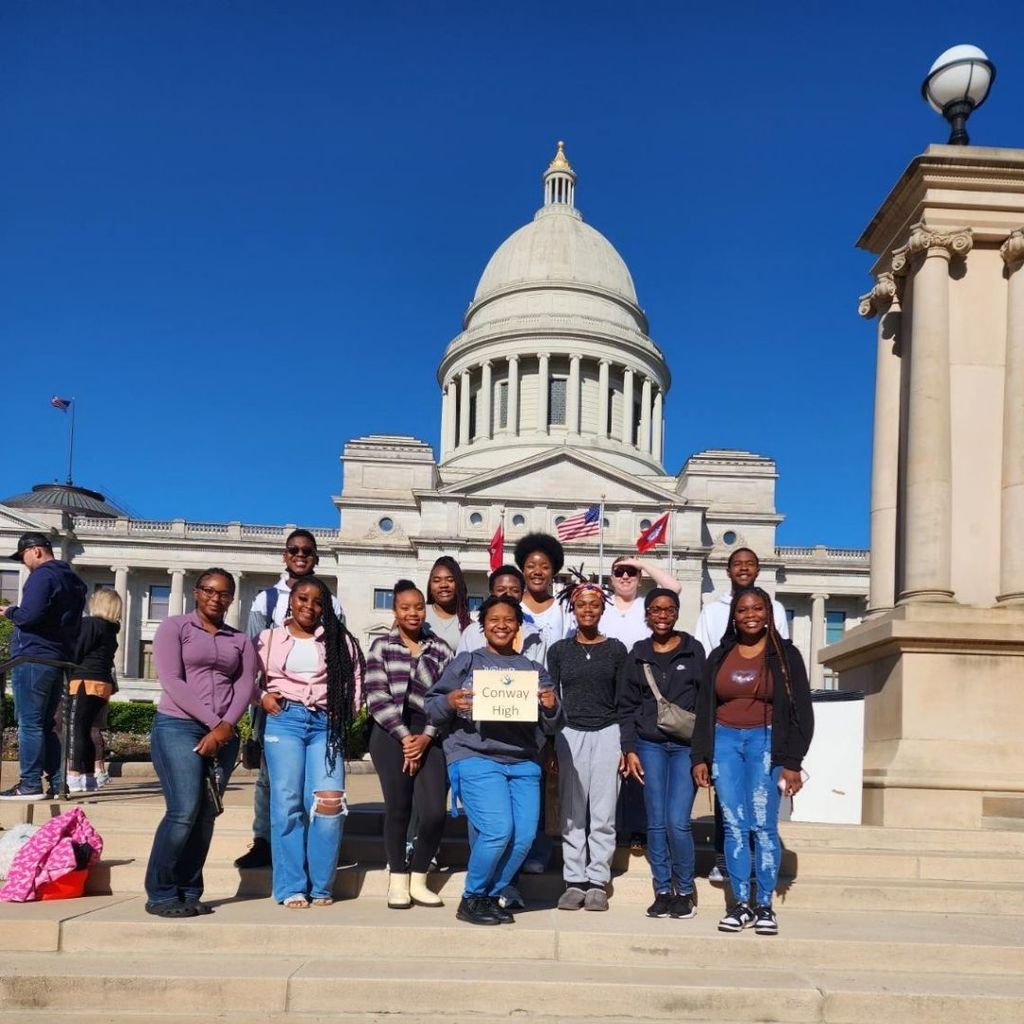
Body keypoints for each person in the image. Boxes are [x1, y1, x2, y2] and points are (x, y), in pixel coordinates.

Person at [425, 595, 564, 926]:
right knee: (498, 830)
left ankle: (488, 894)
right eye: (494, 620)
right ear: (482, 625)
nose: (501, 625)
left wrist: (549, 706)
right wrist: (450, 700)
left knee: (525, 835)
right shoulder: (467, 662)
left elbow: (554, 723)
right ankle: (472, 897)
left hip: (523, 760)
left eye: (509, 620)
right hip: (475, 755)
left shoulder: (534, 670)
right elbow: (431, 707)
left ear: (518, 626)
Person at [692, 586, 814, 936]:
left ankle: (765, 905)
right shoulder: (719, 655)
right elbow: (704, 710)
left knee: (762, 824)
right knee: (733, 823)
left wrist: (793, 761)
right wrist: (700, 755)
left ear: (768, 613)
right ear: (734, 615)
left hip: (766, 742)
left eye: (757, 609)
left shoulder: (785, 655)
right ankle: (740, 904)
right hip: (725, 742)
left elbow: (801, 711)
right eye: (743, 609)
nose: (750, 615)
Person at [144, 569, 257, 917]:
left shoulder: (239, 640)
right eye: (209, 590)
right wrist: (215, 725)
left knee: (206, 814)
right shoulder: (174, 628)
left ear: (231, 598)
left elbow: (245, 685)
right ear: (196, 592)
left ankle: (190, 891)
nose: (215, 597)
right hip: (178, 725)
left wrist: (226, 727)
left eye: (223, 593)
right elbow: (172, 680)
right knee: (183, 811)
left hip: (223, 732)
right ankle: (162, 893)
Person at [235, 529, 344, 871]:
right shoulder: (266, 599)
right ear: (285, 555)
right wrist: (260, 696)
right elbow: (251, 655)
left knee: (314, 781)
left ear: (316, 558)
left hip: (319, 707)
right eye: (294, 550)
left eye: (307, 551)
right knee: (271, 778)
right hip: (276, 705)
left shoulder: (333, 602)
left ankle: (310, 845)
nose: (300, 555)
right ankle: (264, 840)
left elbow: (339, 655)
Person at [258, 576, 363, 909]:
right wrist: (262, 696)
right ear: (292, 600)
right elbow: (248, 675)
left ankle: (321, 885)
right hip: (285, 720)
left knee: (329, 802)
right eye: (303, 598)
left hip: (324, 724)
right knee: (287, 802)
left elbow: (356, 677)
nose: (309, 606)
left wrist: (348, 708)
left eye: (317, 601)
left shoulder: (337, 640)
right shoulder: (269, 638)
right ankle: (291, 886)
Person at [693, 547, 789, 882]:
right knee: (727, 798)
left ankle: (759, 874)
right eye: (737, 564)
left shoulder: (775, 607)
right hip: (724, 717)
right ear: (728, 570)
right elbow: (705, 655)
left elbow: (783, 663)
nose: (743, 568)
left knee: (759, 802)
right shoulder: (711, 610)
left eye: (749, 563)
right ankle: (725, 860)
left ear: (758, 569)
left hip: (762, 722)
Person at [619, 588, 705, 920]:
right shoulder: (638, 653)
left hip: (685, 746)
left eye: (669, 610)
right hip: (649, 744)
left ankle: (684, 889)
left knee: (676, 821)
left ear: (677, 612)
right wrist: (629, 748)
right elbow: (625, 706)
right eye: (655, 610)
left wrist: (702, 755)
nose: (662, 615)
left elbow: (706, 704)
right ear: (647, 614)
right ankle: (662, 890)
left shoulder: (694, 651)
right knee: (655, 822)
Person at [365, 580, 452, 909]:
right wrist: (405, 738)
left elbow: (446, 698)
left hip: (430, 732)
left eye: (418, 607)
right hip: (389, 734)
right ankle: (397, 880)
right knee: (399, 807)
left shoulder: (441, 649)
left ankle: (419, 878)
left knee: (433, 812)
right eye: (405, 608)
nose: (413, 613)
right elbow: (376, 697)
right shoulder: (381, 648)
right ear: (395, 612)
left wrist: (426, 736)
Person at [547, 582, 626, 911]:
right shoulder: (560, 651)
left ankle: (597, 881)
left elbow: (624, 700)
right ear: (573, 609)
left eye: (594, 604)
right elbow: (551, 700)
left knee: (603, 811)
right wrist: (551, 743)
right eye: (582, 605)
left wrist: (625, 743)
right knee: (572, 810)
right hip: (569, 734)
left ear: (603, 609)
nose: (588, 610)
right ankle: (574, 879)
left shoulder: (617, 650)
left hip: (608, 731)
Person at [599, 555, 682, 853]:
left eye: (631, 572)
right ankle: (613, 826)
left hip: (641, 687)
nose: (625, 576)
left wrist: (642, 563)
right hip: (605, 688)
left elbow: (674, 587)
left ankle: (637, 829)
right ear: (610, 577)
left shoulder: (647, 604)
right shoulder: (602, 602)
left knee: (636, 761)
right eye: (619, 571)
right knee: (611, 763)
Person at [0, 532, 87, 801]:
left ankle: (29, 783)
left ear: (36, 551)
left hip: (34, 656)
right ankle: (59, 783)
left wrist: (9, 612)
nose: (24, 564)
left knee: (29, 723)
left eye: (24, 556)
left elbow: (30, 615)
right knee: (46, 724)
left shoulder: (43, 575)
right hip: (57, 659)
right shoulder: (74, 581)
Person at [66, 590, 122, 794]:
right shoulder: (111, 630)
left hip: (83, 680)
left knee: (75, 728)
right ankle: (89, 776)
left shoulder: (90, 624)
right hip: (102, 682)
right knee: (88, 729)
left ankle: (73, 775)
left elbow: (76, 651)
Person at [455, 564, 544, 663]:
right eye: (501, 590)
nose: (508, 594)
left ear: (522, 594)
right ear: (491, 592)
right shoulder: (472, 633)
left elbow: (539, 675)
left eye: (515, 590)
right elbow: (459, 672)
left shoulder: (535, 636)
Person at [424, 556, 471, 652]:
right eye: (437, 580)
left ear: (459, 584)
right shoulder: (416, 615)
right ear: (430, 585)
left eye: (450, 580)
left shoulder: (469, 625)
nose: (443, 585)